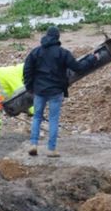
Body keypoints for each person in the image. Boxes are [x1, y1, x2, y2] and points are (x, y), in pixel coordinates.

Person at [21, 26, 92, 157]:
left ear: (46, 36)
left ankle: (33, 144)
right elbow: (78, 68)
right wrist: (92, 58)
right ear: (58, 37)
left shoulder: (36, 52)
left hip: (39, 90)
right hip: (56, 91)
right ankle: (51, 149)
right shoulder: (63, 53)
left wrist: (29, 86)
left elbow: (27, 70)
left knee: (37, 117)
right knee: (53, 119)